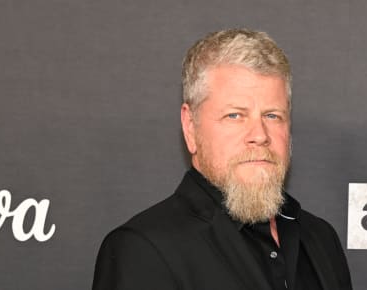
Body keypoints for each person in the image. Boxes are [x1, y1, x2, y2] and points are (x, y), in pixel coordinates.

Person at [92, 28, 352, 290]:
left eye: (272, 115)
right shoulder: (144, 249)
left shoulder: (320, 239)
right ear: (190, 127)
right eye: (235, 116)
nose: (259, 135)